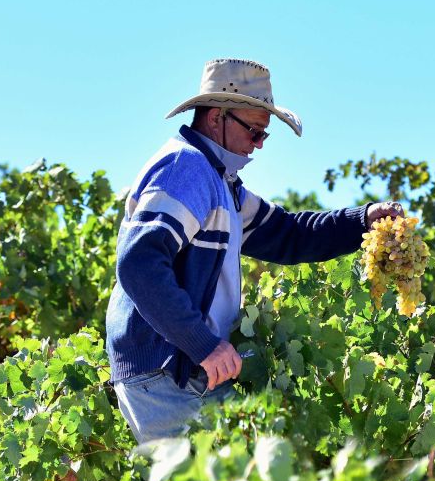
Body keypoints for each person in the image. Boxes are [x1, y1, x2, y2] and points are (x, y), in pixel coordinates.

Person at [105, 58, 403, 443]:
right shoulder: (187, 168)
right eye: (254, 132)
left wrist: (362, 220)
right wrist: (203, 344)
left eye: (265, 136)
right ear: (216, 118)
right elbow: (138, 262)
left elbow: (289, 234)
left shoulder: (220, 184)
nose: (259, 145)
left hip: (182, 371)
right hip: (168, 371)